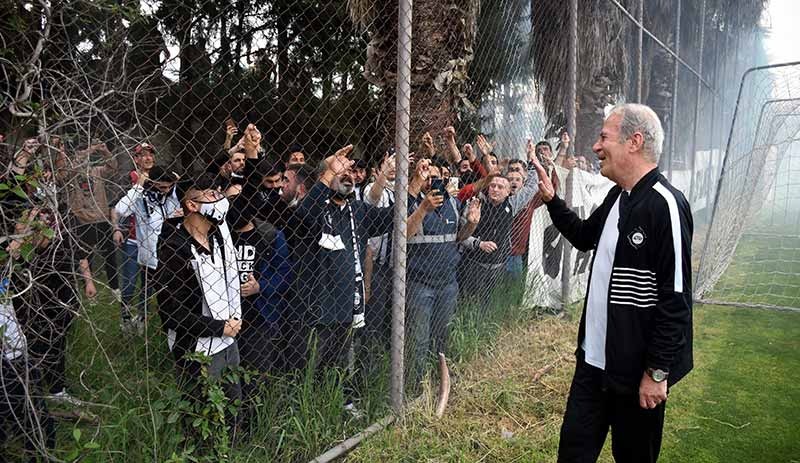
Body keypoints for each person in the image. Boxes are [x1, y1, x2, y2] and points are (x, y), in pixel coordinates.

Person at [534, 103, 693, 463]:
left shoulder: (666, 205)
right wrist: (552, 201)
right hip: (592, 366)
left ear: (634, 142)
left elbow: (676, 299)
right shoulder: (618, 196)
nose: (595, 146)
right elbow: (584, 235)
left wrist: (656, 371)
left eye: (604, 137)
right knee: (572, 454)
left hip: (637, 376)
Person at [154, 174, 243, 408]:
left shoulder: (218, 238)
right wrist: (219, 327)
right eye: (212, 195)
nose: (220, 199)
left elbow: (250, 205)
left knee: (232, 406)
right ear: (192, 205)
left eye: (220, 193)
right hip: (197, 348)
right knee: (202, 410)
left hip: (228, 340)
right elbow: (170, 313)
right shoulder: (174, 249)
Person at [405, 159, 480, 383]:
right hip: (420, 284)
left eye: (437, 177)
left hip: (448, 283)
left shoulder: (453, 205)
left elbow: (460, 237)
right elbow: (403, 235)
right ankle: (417, 385)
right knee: (418, 339)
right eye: (427, 177)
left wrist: (472, 225)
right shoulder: (410, 203)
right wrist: (423, 208)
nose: (432, 182)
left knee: (443, 334)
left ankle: (441, 378)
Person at [111, 165, 182, 333]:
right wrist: (139, 186)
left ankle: (166, 327)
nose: (166, 190)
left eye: (169, 186)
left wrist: (177, 184)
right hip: (149, 258)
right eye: (162, 187)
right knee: (137, 289)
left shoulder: (174, 195)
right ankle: (129, 320)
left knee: (168, 296)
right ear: (152, 183)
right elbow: (120, 209)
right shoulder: (141, 198)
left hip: (172, 257)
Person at [64, 141, 120, 301]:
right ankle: (90, 290)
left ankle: (115, 289)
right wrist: (89, 149)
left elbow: (113, 167)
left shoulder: (97, 171)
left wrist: (105, 151)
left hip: (101, 219)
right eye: (82, 153)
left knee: (110, 256)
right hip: (82, 220)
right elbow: (71, 168)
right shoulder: (72, 173)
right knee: (85, 257)